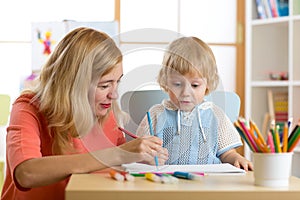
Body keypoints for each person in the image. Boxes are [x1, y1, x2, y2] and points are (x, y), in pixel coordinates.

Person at [1, 27, 168, 200]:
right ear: (73, 84)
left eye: (117, 82)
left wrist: (137, 157)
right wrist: (119, 153)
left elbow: (113, 165)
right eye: (104, 85)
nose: (114, 95)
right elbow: (26, 172)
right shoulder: (28, 108)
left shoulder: (104, 110)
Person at [136, 36, 253, 171]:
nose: (186, 92)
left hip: (208, 184)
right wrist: (148, 156)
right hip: (167, 182)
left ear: (207, 84)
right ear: (166, 82)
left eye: (195, 85)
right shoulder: (156, 114)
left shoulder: (216, 115)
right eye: (177, 84)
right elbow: (140, 150)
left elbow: (227, 153)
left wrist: (237, 159)